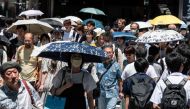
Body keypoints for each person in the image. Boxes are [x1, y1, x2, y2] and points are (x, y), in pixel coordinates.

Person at [96, 43, 123, 109]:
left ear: (113, 53)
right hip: (101, 93)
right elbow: (95, 77)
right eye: (106, 52)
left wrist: (121, 91)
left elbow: (120, 79)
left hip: (113, 93)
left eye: (109, 52)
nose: (108, 54)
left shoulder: (116, 65)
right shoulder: (98, 64)